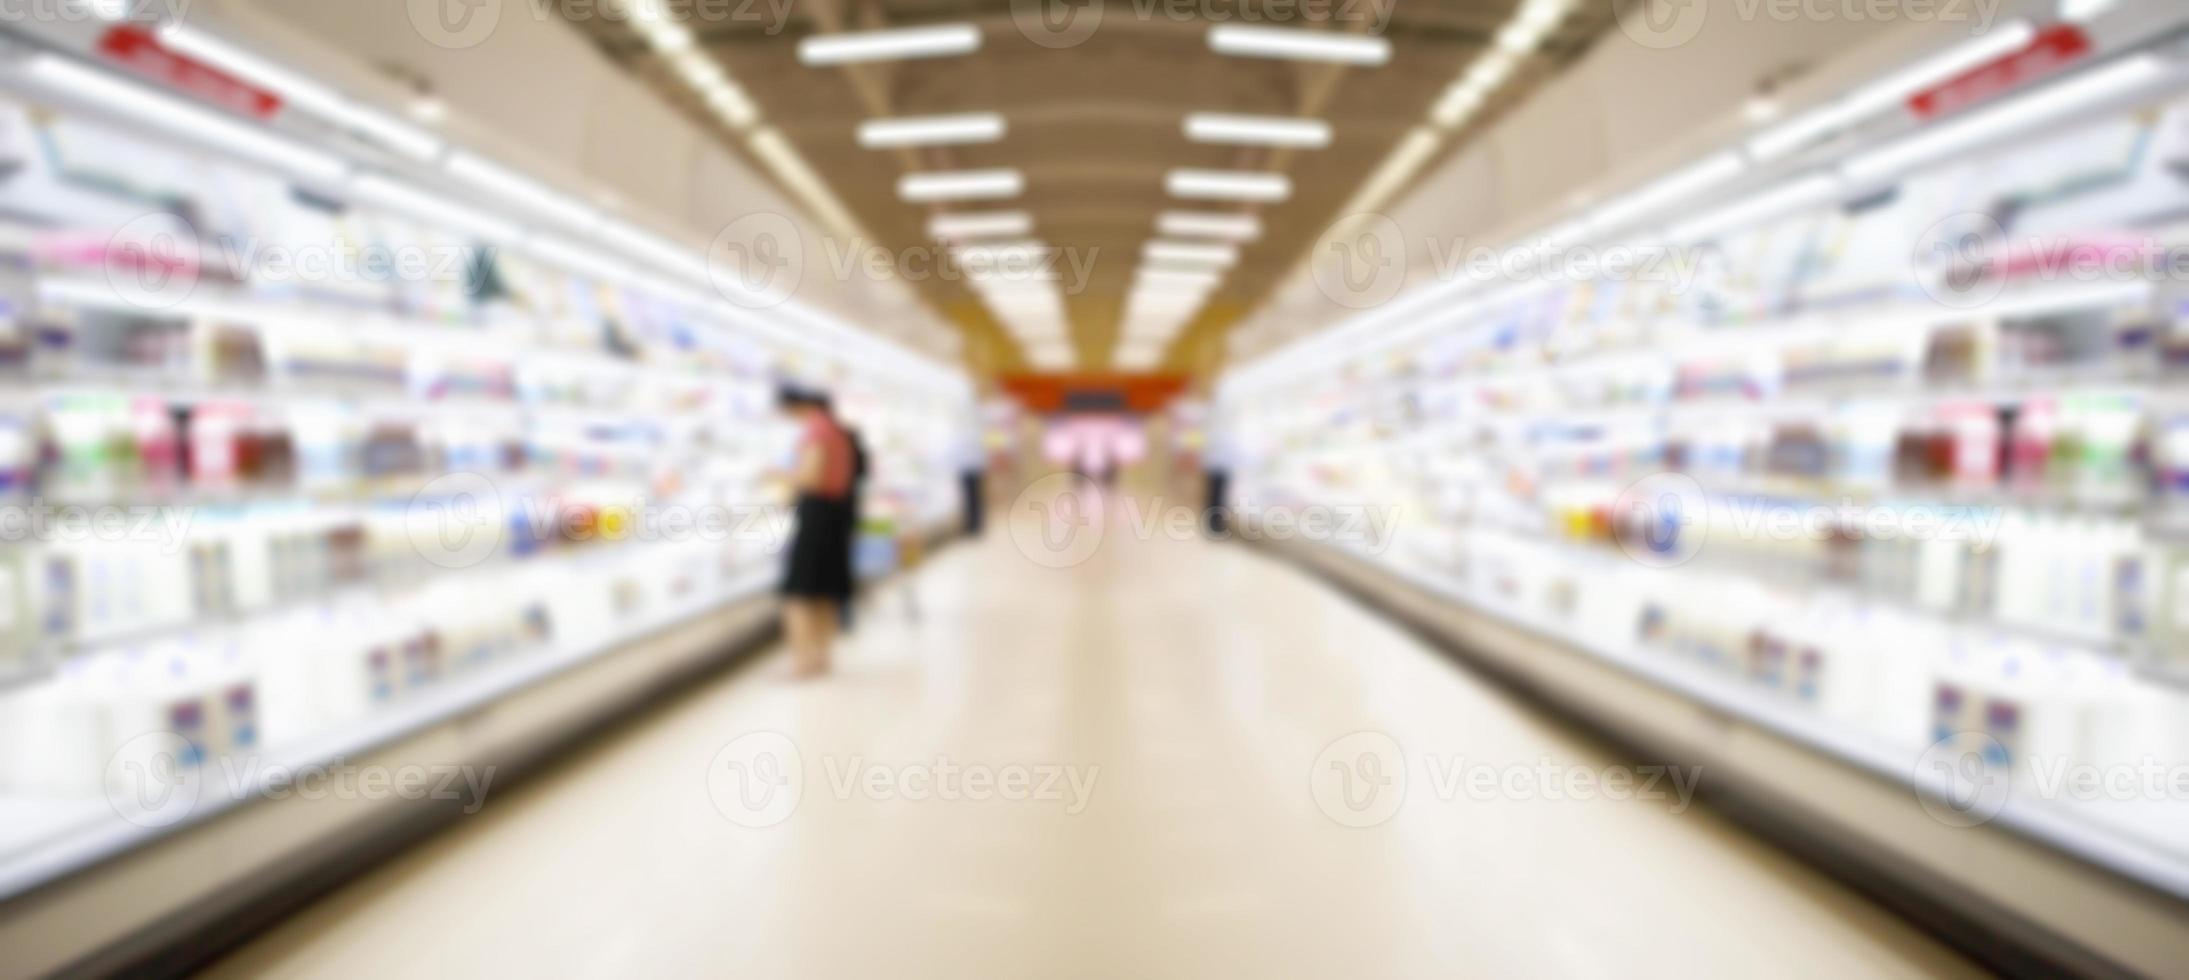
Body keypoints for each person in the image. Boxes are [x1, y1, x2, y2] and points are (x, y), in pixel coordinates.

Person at [776, 387, 855, 677]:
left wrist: (781, 475)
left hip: (816, 513)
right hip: (837, 514)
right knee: (824, 590)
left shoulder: (816, 431)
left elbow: (811, 476)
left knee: (796, 592)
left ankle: (801, 663)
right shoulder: (836, 430)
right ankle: (821, 656)